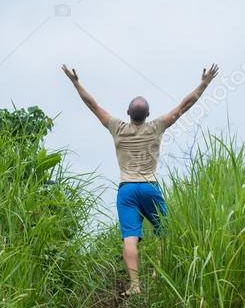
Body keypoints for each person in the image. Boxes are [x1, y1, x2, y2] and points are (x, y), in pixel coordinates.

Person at [61, 63, 220, 295]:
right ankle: (157, 274)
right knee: (165, 231)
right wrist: (204, 83)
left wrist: (75, 82)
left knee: (130, 237)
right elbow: (184, 107)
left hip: (126, 190)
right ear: (147, 114)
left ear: (127, 113)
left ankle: (135, 285)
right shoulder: (156, 127)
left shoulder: (116, 127)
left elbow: (92, 105)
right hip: (149, 187)